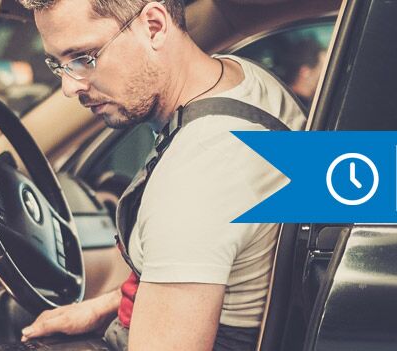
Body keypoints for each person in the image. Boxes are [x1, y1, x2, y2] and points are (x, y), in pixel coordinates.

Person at [15, 0, 306, 350]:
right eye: (58, 64)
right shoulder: (242, 78)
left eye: (83, 58)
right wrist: (101, 307)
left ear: (154, 26)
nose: (69, 87)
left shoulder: (197, 174)